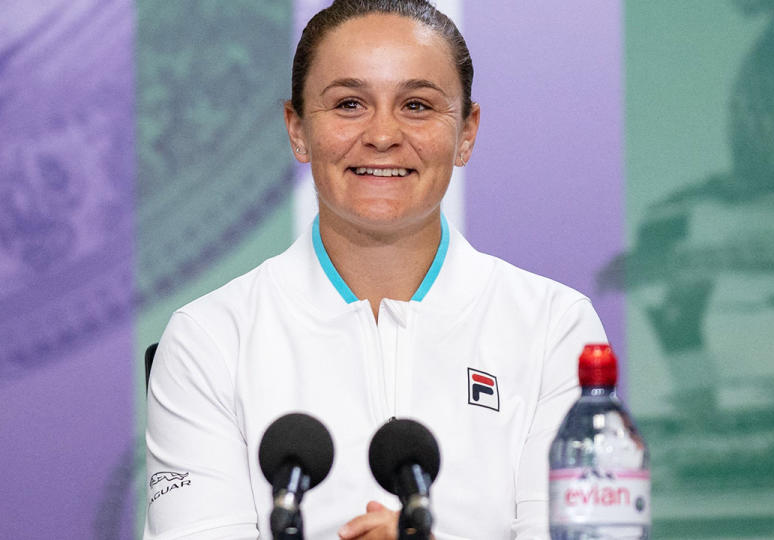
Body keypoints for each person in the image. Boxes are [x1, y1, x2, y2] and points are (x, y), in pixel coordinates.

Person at [143, 1, 606, 539]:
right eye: (348, 104)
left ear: (467, 132)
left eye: (415, 105)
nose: (383, 134)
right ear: (296, 129)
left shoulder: (555, 328)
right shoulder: (210, 338)